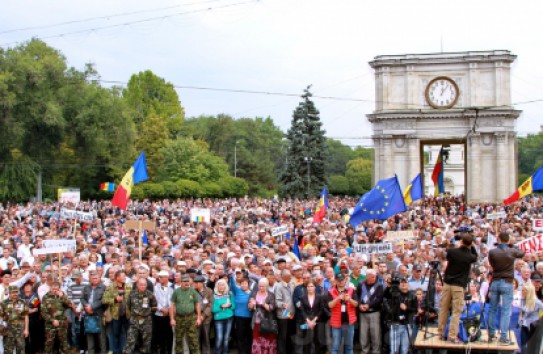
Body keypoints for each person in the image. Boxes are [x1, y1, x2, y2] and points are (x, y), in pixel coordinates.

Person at [437, 232, 477, 343]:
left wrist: (464, 244)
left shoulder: (452, 252)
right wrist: (471, 246)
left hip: (447, 284)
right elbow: (475, 256)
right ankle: (452, 336)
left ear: (461, 241)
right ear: (470, 243)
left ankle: (440, 333)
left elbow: (447, 253)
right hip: (459, 286)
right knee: (456, 312)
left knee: (443, 308)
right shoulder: (470, 256)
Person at [488, 231, 525, 345]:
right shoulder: (512, 250)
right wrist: (511, 245)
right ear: (508, 240)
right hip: (507, 282)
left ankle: (492, 334)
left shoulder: (492, 252)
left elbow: (492, 265)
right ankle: (503, 337)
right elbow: (522, 253)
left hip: (495, 281)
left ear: (498, 239)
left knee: (492, 309)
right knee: (505, 310)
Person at [382, 276, 416, 354]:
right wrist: (389, 286)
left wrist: (406, 308)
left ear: (408, 284)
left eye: (405, 282)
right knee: (394, 350)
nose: (403, 284)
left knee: (405, 349)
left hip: (407, 323)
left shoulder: (412, 295)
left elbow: (415, 310)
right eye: (402, 283)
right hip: (395, 323)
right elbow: (384, 297)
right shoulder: (392, 293)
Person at [123, 278, 157, 354]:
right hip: (134, 320)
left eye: (144, 285)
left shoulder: (150, 294)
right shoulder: (132, 294)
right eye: (141, 285)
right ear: (137, 285)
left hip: (146, 320)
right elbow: (128, 305)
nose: (143, 286)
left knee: (146, 341)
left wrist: (146, 312)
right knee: (130, 340)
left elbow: (154, 306)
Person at [170, 273, 202, 354]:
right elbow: (172, 305)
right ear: (181, 282)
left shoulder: (193, 291)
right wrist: (172, 319)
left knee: (193, 340)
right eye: (184, 281)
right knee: (179, 340)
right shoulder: (176, 292)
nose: (186, 283)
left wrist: (198, 317)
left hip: (191, 318)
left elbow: (197, 304)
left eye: (188, 281)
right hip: (179, 318)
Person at [102, 269, 132, 354]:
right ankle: (116, 351)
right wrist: (115, 299)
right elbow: (104, 300)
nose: (124, 278)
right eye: (122, 276)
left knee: (124, 333)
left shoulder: (129, 287)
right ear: (117, 278)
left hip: (126, 314)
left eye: (124, 276)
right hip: (115, 315)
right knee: (115, 334)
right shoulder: (110, 287)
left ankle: (123, 350)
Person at [327, 273, 358, 354]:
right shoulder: (331, 291)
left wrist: (350, 299)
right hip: (336, 322)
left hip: (349, 322)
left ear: (345, 280)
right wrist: (338, 298)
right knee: (335, 347)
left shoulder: (351, 290)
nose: (340, 282)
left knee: (349, 347)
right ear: (336, 281)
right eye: (338, 280)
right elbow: (330, 305)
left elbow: (356, 304)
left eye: (342, 280)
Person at [41, 281, 73, 354]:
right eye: (53, 289)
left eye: (56, 289)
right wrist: (52, 320)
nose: (54, 291)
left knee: (63, 342)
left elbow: (70, 305)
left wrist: (62, 297)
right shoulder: (46, 297)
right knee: (49, 343)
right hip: (50, 324)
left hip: (62, 323)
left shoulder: (62, 296)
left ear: (59, 289)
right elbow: (43, 312)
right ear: (50, 288)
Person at [357, 269, 384, 354]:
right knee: (363, 334)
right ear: (367, 276)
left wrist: (369, 305)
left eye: (375, 276)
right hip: (362, 312)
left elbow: (379, 299)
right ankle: (364, 350)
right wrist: (359, 305)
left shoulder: (379, 285)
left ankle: (376, 351)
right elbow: (357, 296)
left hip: (374, 312)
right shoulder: (361, 284)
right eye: (372, 276)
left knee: (375, 333)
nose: (374, 278)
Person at [81, 270, 107, 354]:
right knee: (89, 334)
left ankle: (103, 352)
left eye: (96, 278)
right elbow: (82, 298)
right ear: (90, 279)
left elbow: (104, 300)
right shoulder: (86, 287)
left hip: (99, 314)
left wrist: (92, 306)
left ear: (99, 278)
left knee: (101, 336)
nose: (95, 279)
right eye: (93, 278)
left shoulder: (104, 288)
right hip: (88, 314)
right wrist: (86, 306)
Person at [248, 277, 276, 354]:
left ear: (266, 286)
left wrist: (264, 304)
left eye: (263, 286)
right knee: (257, 339)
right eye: (260, 286)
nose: (261, 287)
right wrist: (251, 304)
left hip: (267, 321)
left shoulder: (271, 295)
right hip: (256, 321)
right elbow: (249, 306)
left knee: (268, 339)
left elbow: (272, 308)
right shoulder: (254, 293)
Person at [295, 279, 323, 354]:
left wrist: (314, 320)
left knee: (316, 340)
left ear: (315, 287)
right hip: (306, 321)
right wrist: (308, 321)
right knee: (306, 341)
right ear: (306, 287)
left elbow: (321, 310)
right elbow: (302, 310)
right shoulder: (302, 297)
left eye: (312, 286)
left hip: (316, 321)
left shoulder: (319, 297)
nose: (310, 288)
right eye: (308, 286)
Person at [0, 285, 29, 354]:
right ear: (9, 293)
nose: (15, 294)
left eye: (16, 292)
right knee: (8, 350)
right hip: (8, 329)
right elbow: (0, 316)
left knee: (21, 349)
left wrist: (26, 329)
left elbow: (26, 316)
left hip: (20, 329)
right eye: (13, 292)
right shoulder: (3, 303)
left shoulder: (22, 302)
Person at [153, 270, 174, 354]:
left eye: (161, 277)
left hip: (169, 314)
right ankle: (161, 350)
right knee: (159, 334)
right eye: (159, 277)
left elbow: (173, 300)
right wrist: (161, 309)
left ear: (166, 278)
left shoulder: (172, 287)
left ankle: (169, 350)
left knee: (169, 334)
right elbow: (154, 300)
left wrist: (168, 310)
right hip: (159, 314)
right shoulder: (156, 287)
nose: (159, 279)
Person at [212, 278, 235, 354]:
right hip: (218, 319)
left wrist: (229, 305)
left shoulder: (230, 294)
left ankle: (225, 352)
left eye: (223, 285)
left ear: (226, 286)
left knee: (226, 338)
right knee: (219, 338)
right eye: (220, 285)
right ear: (217, 286)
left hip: (229, 318)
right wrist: (222, 306)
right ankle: (217, 352)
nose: (222, 287)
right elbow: (213, 309)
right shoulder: (214, 296)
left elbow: (233, 306)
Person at [230, 275, 253, 354]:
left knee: (248, 335)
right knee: (240, 335)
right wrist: (231, 275)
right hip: (239, 317)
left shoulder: (252, 292)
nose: (243, 285)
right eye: (242, 283)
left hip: (249, 317)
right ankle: (241, 351)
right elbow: (232, 284)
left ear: (248, 284)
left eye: (245, 283)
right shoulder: (237, 290)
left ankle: (248, 351)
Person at [518, 283, 543, 354]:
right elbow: (522, 311)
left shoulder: (537, 302)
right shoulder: (523, 300)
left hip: (533, 326)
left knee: (532, 345)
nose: (522, 292)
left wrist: (538, 318)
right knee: (523, 344)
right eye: (522, 290)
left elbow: (542, 311)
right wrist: (520, 320)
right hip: (524, 325)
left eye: (524, 290)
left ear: (529, 291)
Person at [274, 269, 295, 354]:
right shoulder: (278, 287)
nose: (290, 277)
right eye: (288, 276)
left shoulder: (291, 285)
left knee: (290, 335)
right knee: (282, 336)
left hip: (291, 315)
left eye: (290, 276)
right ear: (283, 277)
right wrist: (282, 304)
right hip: (283, 315)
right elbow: (277, 301)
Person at [194, 274, 214, 354]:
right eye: (194, 283)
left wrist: (203, 315)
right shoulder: (192, 291)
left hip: (206, 318)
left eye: (197, 283)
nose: (195, 284)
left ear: (202, 283)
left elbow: (211, 304)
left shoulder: (209, 291)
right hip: (195, 318)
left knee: (206, 337)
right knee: (196, 337)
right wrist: (198, 316)